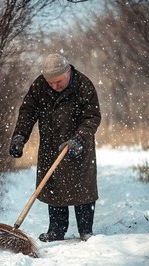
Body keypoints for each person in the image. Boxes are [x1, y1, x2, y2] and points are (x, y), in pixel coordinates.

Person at [9, 53, 101, 242]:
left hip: (78, 145)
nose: (54, 86)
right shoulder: (39, 85)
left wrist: (79, 139)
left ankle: (86, 230)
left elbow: (92, 117)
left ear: (68, 72)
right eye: (50, 82)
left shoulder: (83, 85)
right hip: (50, 145)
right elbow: (28, 111)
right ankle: (56, 230)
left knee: (82, 187)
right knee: (53, 186)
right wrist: (20, 136)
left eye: (58, 82)